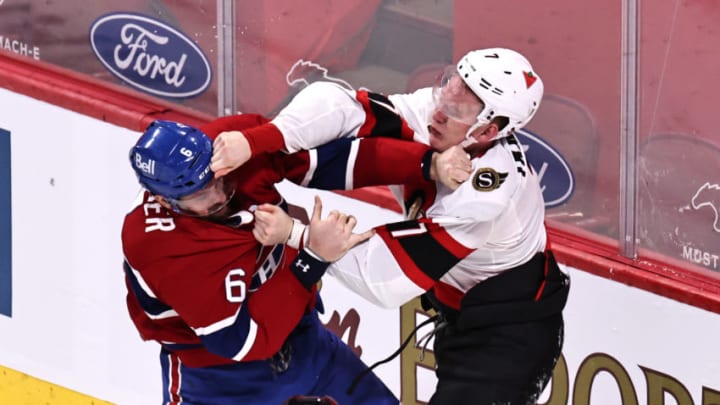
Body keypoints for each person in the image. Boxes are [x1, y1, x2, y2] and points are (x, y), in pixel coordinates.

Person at [210, 48, 571, 405]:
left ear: (488, 130)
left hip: (509, 333)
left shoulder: (488, 196)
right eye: (448, 86)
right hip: (464, 310)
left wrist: (298, 235)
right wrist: (259, 140)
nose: (440, 111)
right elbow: (339, 104)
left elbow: (387, 277)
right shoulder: (437, 114)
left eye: (459, 107)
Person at [121, 115, 465, 404]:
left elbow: (328, 161)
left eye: (217, 178)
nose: (220, 193)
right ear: (166, 202)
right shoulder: (161, 247)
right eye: (201, 194)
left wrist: (425, 165)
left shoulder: (231, 150)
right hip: (221, 380)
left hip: (305, 339)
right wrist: (312, 257)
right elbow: (239, 342)